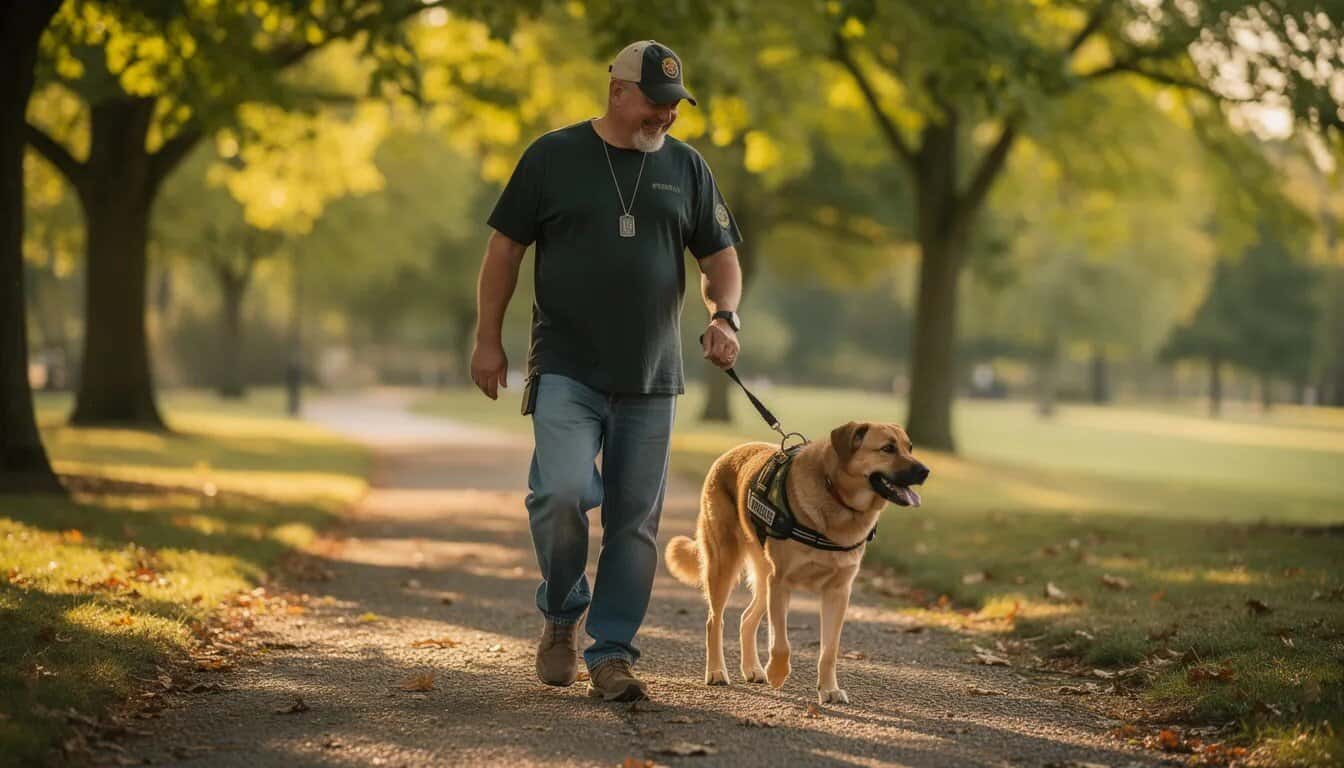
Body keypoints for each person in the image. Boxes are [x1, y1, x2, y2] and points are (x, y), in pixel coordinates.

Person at [470, 40, 744, 702]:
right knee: (561, 494)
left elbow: (721, 261)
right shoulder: (552, 157)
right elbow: (504, 250)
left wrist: (725, 316)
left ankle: (613, 652)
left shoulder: (687, 167)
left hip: (652, 378)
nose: (667, 116)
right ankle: (562, 614)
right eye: (656, 102)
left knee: (632, 523)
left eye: (675, 105)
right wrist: (487, 339)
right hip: (567, 367)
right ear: (618, 91)